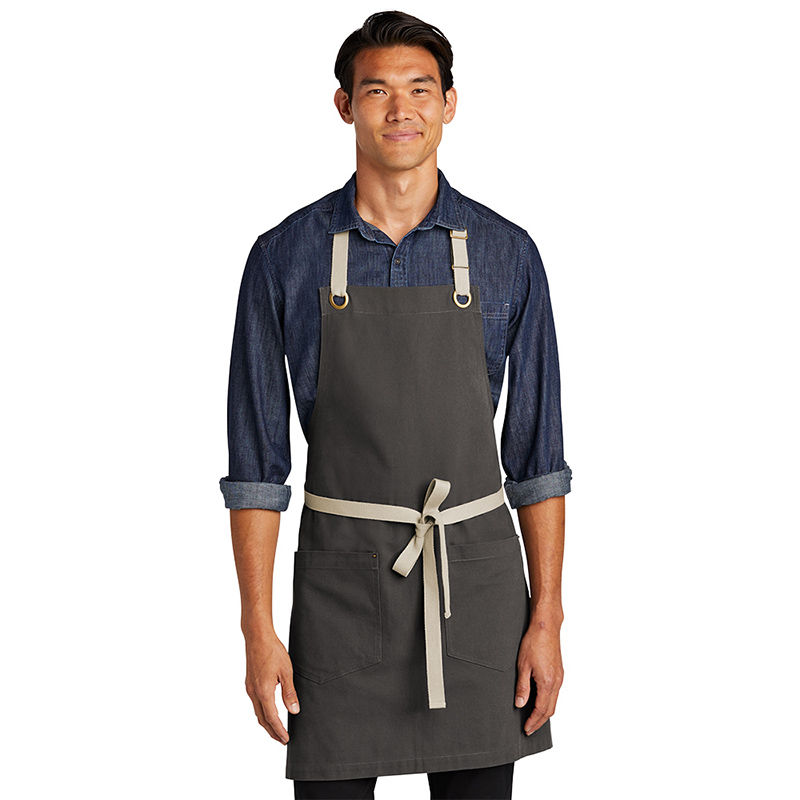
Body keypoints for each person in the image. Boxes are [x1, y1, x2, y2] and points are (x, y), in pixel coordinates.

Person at [219, 10, 572, 800]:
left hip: (476, 591)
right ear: (345, 105)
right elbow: (256, 471)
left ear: (450, 103)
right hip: (341, 596)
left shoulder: (508, 254)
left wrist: (547, 617)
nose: (400, 109)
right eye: (377, 90)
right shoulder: (283, 257)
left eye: (420, 89)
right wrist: (256, 629)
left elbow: (538, 463)